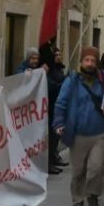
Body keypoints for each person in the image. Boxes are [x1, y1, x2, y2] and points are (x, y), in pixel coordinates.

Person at [53, 46, 104, 206]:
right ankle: (77, 201)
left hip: (99, 134)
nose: (89, 63)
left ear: (97, 62)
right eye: (86, 60)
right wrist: (59, 123)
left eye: (92, 60)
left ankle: (93, 195)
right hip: (78, 135)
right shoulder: (72, 80)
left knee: (96, 168)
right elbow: (61, 103)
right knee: (78, 171)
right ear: (81, 62)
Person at [39, 42, 67, 175]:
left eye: (60, 55)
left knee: (55, 136)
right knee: (50, 137)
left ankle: (53, 159)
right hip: (48, 107)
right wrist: (63, 84)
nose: (58, 57)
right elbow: (51, 87)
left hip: (56, 107)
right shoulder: (45, 71)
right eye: (56, 55)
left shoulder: (57, 69)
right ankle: (48, 163)